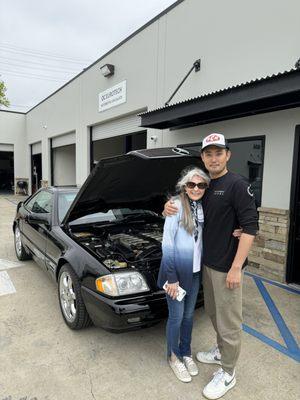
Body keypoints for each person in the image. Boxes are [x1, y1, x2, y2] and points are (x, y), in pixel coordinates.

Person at [164, 133, 258, 399]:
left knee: (229, 322)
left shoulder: (238, 184)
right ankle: (220, 352)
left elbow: (250, 227)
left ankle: (228, 373)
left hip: (227, 268)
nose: (213, 158)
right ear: (203, 158)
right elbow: (185, 201)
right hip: (205, 266)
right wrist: (166, 208)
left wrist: (237, 267)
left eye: (219, 153)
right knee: (215, 315)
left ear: (228, 155)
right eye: (208, 154)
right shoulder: (203, 186)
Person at [158, 167, 210, 383]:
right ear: (185, 186)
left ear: (206, 187)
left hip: (195, 272)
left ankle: (186, 352)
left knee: (189, 317)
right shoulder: (176, 206)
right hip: (176, 274)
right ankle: (173, 357)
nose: (196, 188)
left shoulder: (204, 206)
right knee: (177, 317)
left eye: (201, 185)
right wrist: (171, 278)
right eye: (191, 184)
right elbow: (167, 243)